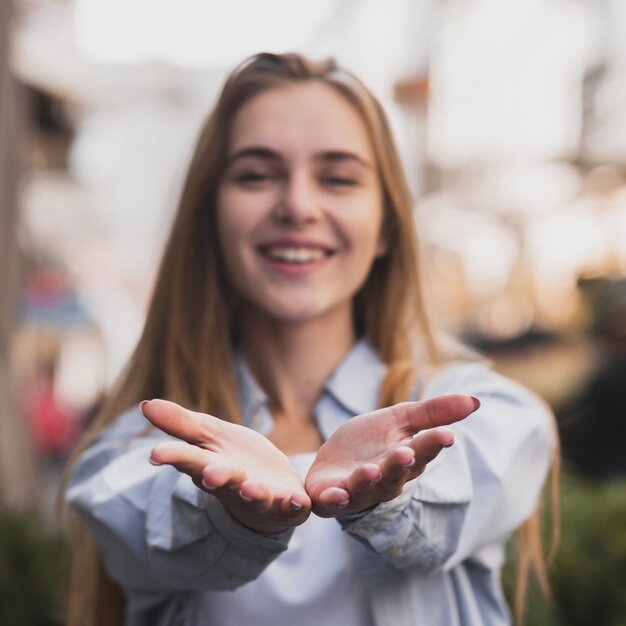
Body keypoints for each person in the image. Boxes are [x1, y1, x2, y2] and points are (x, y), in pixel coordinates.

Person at [62, 52, 558, 626]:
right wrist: (229, 515)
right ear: (210, 218)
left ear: (387, 227)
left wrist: (395, 492)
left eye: (339, 178)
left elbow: (467, 490)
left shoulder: (483, 414)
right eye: (256, 174)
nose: (297, 206)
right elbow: (151, 523)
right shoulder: (135, 449)